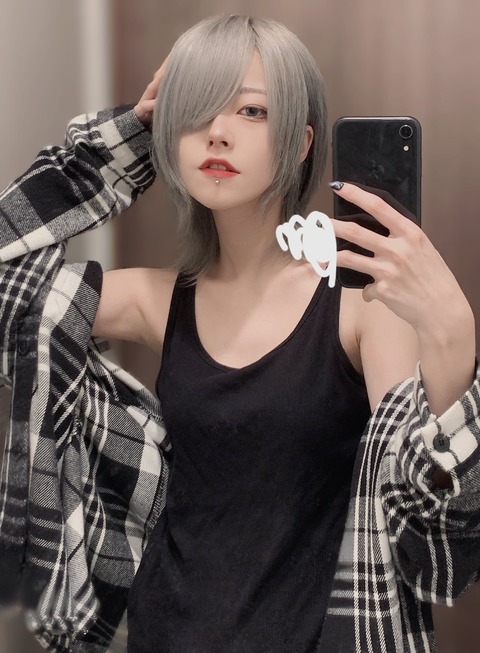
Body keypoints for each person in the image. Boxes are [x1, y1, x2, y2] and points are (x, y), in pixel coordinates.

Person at [0, 14, 479, 653]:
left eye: (252, 111)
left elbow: (433, 537)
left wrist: (453, 338)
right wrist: (121, 143)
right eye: (195, 112)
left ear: (300, 143)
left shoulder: (362, 303)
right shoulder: (156, 300)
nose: (218, 132)